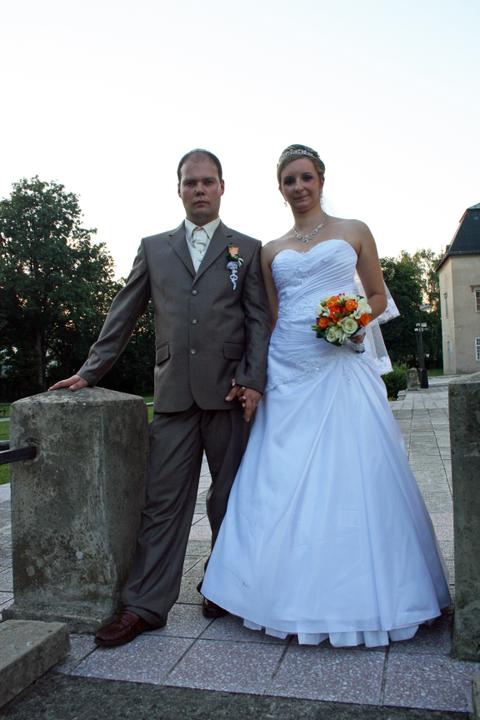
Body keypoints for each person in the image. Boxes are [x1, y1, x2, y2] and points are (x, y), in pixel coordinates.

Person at [201, 144, 450, 647]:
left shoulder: (354, 231)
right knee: (280, 472)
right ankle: (268, 589)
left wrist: (353, 321)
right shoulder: (269, 250)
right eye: (289, 180)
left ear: (321, 179)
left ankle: (364, 595)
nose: (298, 187)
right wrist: (257, 374)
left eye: (305, 177)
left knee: (353, 469)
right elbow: (270, 316)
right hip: (288, 366)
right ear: (280, 189)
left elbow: (377, 295)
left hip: (340, 362)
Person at [49, 149, 270, 646]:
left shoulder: (247, 248)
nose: (199, 189)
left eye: (207, 181)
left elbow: (258, 320)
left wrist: (253, 379)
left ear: (222, 187)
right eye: (191, 182)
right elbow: (123, 313)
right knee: (162, 503)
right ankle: (144, 607)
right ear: (179, 189)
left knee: (230, 499)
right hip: (173, 395)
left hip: (231, 394)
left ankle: (222, 586)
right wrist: (90, 371)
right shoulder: (153, 248)